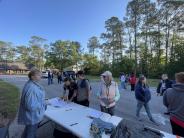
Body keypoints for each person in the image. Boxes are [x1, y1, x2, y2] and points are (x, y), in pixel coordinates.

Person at [18, 68, 47, 138]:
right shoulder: (31, 87)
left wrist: (42, 100)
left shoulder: (32, 84)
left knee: (28, 131)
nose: (41, 76)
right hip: (33, 116)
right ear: (32, 77)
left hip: (32, 116)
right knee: (31, 133)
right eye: (39, 75)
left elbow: (34, 99)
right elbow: (31, 106)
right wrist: (43, 103)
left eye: (40, 74)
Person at [163, 72, 184, 137]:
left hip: (173, 119)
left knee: (176, 135)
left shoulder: (168, 91)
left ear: (176, 80)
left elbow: (166, 103)